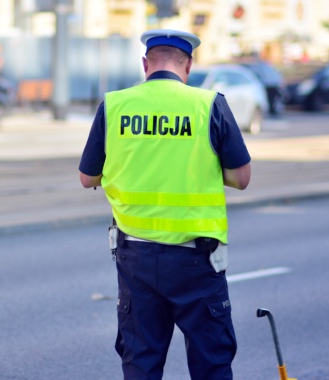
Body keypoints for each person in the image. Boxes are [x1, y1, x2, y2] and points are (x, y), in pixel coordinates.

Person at [78, 29, 251, 379]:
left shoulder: (115, 105)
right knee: (211, 363)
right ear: (188, 65)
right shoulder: (208, 104)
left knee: (141, 362)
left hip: (135, 257)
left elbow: (87, 177)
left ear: (146, 64)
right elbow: (241, 177)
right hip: (195, 259)